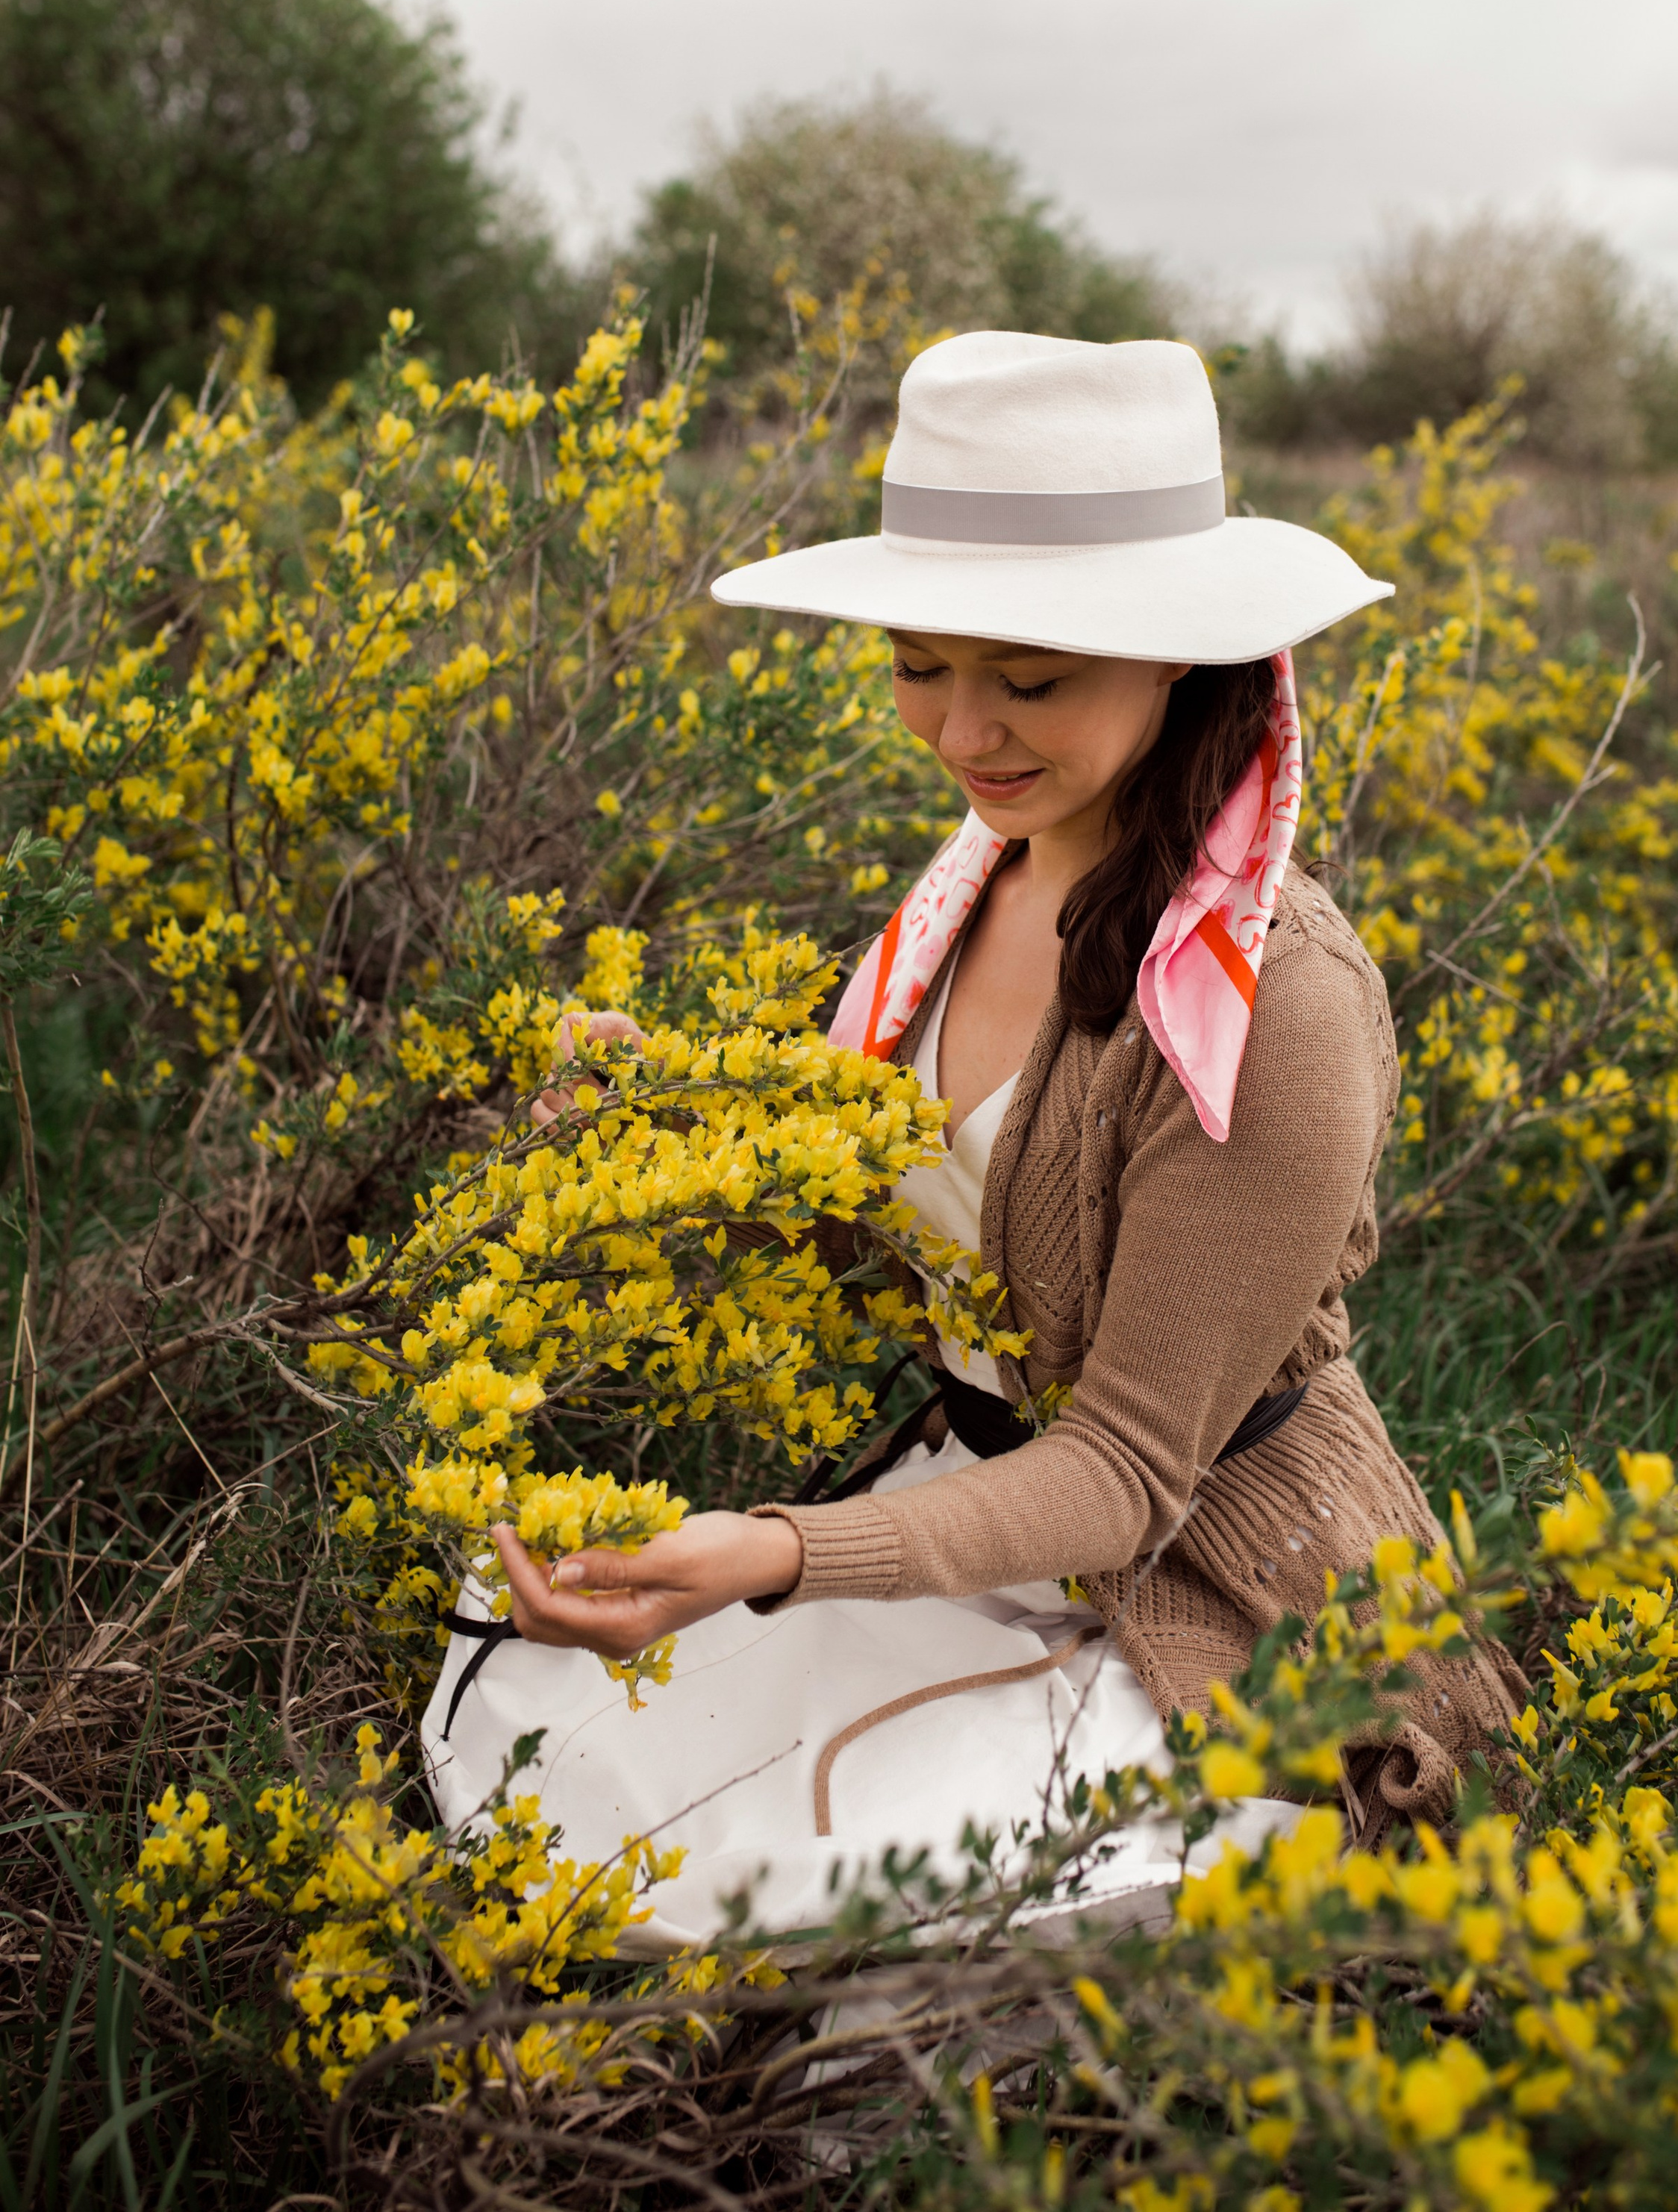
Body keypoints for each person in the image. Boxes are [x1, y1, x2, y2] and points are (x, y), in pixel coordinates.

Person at [422, 330, 1523, 1945]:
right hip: (984, 1508)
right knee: (580, 1778)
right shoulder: (969, 887)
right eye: (916, 663)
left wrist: (779, 1551)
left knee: (832, 1913)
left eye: (1028, 678)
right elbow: (883, 1208)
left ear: (1182, 662)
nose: (960, 732)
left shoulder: (1269, 1010)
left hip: (1212, 1585)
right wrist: (666, 1116)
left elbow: (1132, 1475)